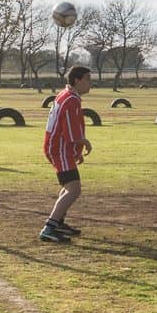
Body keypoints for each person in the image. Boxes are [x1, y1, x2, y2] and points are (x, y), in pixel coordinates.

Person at [39, 66, 93, 243]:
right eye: (87, 79)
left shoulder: (65, 94)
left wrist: (75, 151)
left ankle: (59, 222)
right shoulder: (71, 100)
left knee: (68, 186)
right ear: (77, 80)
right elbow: (71, 131)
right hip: (59, 149)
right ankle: (49, 227)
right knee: (74, 189)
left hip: (59, 148)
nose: (90, 83)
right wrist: (83, 143)